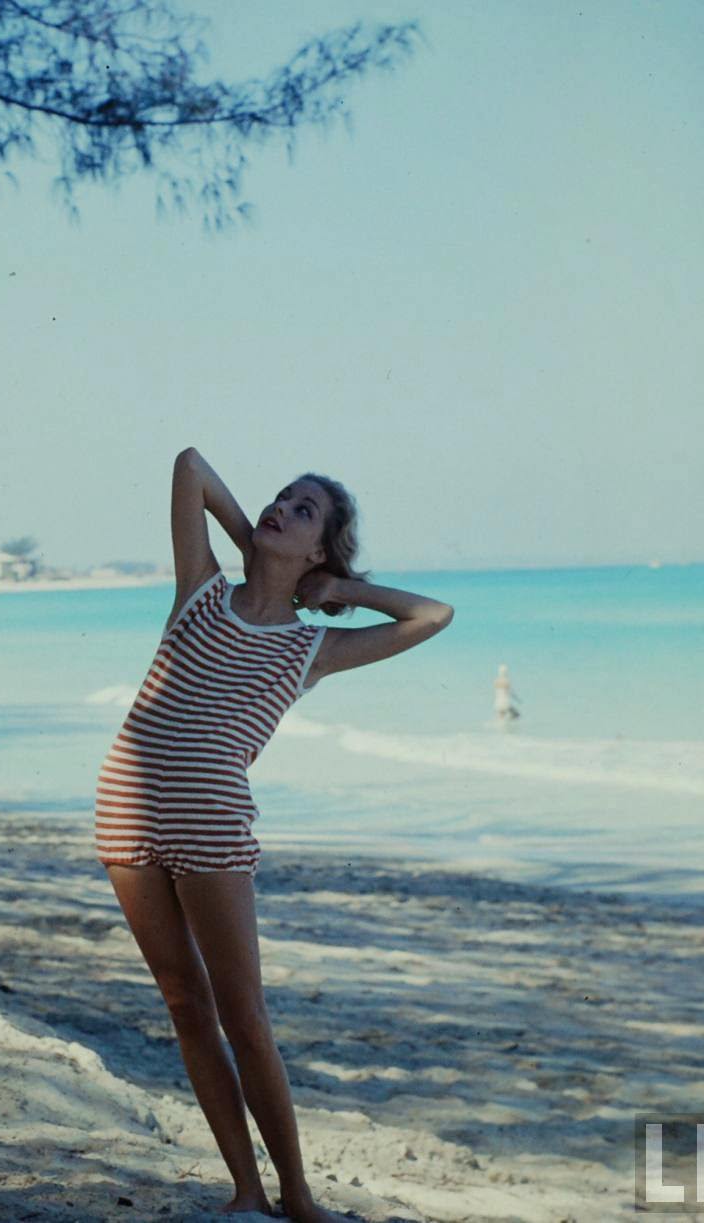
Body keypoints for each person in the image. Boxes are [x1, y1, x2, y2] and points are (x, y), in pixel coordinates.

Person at [94, 447, 454, 1221]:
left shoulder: (310, 647)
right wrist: (253, 539)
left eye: (303, 511)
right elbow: (190, 465)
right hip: (125, 804)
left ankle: (296, 1196)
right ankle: (244, 1190)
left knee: (243, 1015)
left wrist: (336, 590)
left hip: (211, 822)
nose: (280, 507)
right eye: (280, 498)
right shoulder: (200, 592)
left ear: (320, 547)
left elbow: (432, 616)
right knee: (184, 1003)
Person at [493, 662, 520, 727]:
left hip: (498, 702)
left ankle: (501, 730)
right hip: (505, 702)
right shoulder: (507, 681)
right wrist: (517, 699)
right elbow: (510, 692)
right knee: (516, 715)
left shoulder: (496, 681)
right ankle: (508, 727)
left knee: (501, 718)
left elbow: (496, 692)